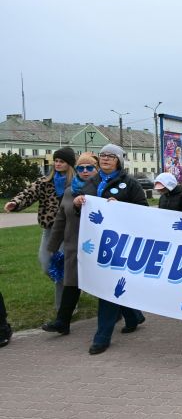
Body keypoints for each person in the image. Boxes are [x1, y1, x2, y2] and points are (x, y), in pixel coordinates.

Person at [74, 144, 148, 355]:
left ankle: (102, 337)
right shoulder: (91, 182)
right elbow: (81, 211)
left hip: (120, 243)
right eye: (103, 156)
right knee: (108, 284)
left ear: (119, 161)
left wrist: (121, 207)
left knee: (107, 287)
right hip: (96, 243)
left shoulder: (130, 183)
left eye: (110, 156)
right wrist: (78, 203)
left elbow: (143, 210)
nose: (105, 159)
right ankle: (133, 316)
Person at [4, 146, 76, 314]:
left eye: (62, 162)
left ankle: (64, 309)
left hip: (70, 231)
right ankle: (72, 287)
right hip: (50, 230)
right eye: (56, 161)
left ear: (69, 164)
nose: (57, 164)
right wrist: (15, 203)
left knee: (61, 266)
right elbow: (28, 193)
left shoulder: (76, 183)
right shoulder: (44, 182)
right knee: (46, 265)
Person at [42, 152, 99, 335]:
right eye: (81, 168)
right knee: (71, 282)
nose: (85, 171)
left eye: (89, 167)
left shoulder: (103, 190)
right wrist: (52, 247)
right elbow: (60, 220)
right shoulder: (69, 191)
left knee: (103, 282)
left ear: (96, 169)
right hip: (74, 245)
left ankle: (130, 315)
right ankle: (62, 322)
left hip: (99, 246)